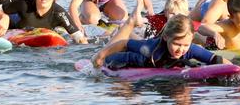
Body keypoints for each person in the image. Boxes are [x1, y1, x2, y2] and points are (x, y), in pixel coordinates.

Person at [91, 14, 231, 69]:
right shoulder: (150, 48)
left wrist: (236, 70)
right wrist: (101, 57)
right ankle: (126, 25)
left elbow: (215, 59)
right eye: (177, 44)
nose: (181, 49)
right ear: (166, 37)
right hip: (125, 60)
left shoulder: (190, 49)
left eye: (185, 45)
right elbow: (124, 43)